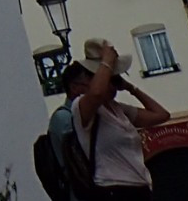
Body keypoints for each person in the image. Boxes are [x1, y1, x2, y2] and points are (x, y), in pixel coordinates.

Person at [57, 38, 173, 198]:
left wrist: (131, 88)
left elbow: (161, 115)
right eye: (110, 79)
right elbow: (96, 94)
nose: (112, 84)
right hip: (112, 189)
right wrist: (107, 62)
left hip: (139, 187)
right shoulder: (82, 107)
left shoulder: (118, 109)